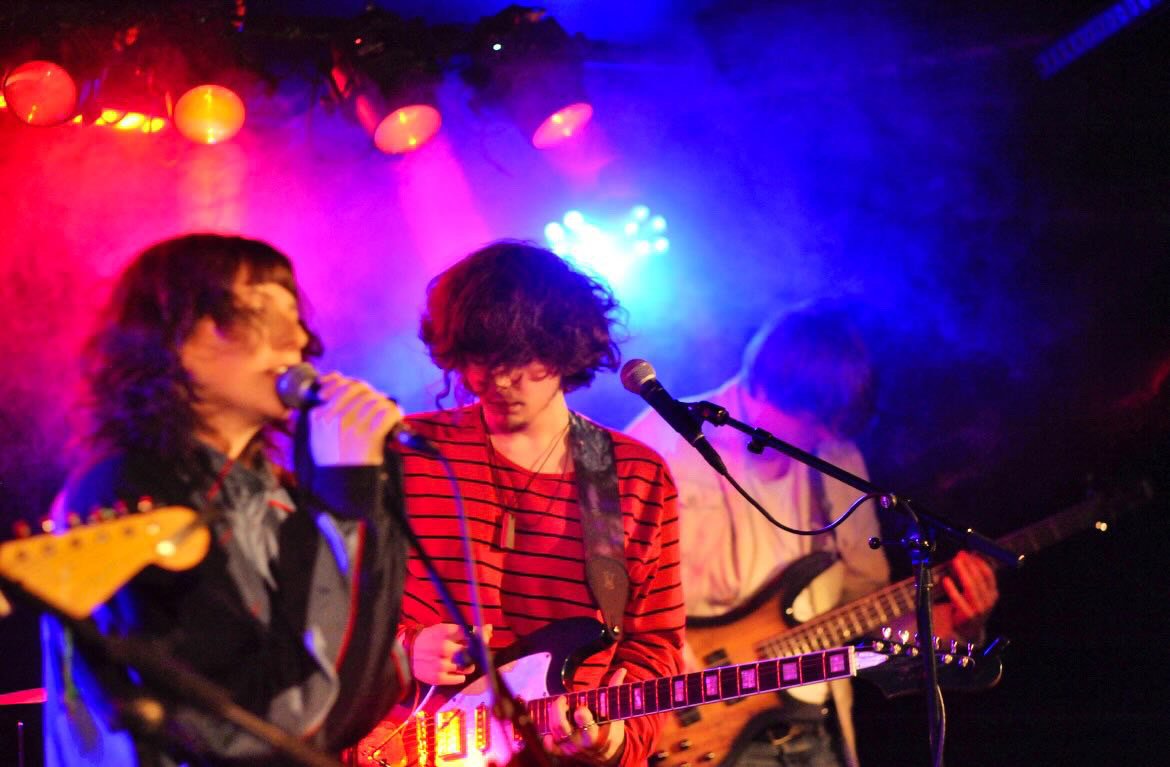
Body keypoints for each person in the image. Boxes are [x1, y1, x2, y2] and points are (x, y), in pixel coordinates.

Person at [41, 234, 410, 766]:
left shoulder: (280, 497)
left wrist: (363, 492)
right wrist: (344, 498)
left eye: (295, 316)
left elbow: (351, 697)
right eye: (259, 311)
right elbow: (237, 723)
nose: (297, 338)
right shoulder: (123, 490)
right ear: (175, 338)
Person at [624, 300, 999, 767]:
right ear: (765, 388)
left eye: (827, 429)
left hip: (816, 731)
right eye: (809, 423)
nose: (818, 439)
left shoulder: (838, 457)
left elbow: (864, 608)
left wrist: (954, 621)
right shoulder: (659, 449)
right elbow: (608, 594)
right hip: (704, 733)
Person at [353, 242, 685, 767]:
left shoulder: (635, 475)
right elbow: (332, 604)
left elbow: (654, 643)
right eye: (482, 359)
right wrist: (402, 648)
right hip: (408, 745)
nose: (500, 380)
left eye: (521, 359)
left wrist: (617, 742)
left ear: (566, 346)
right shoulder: (405, 454)